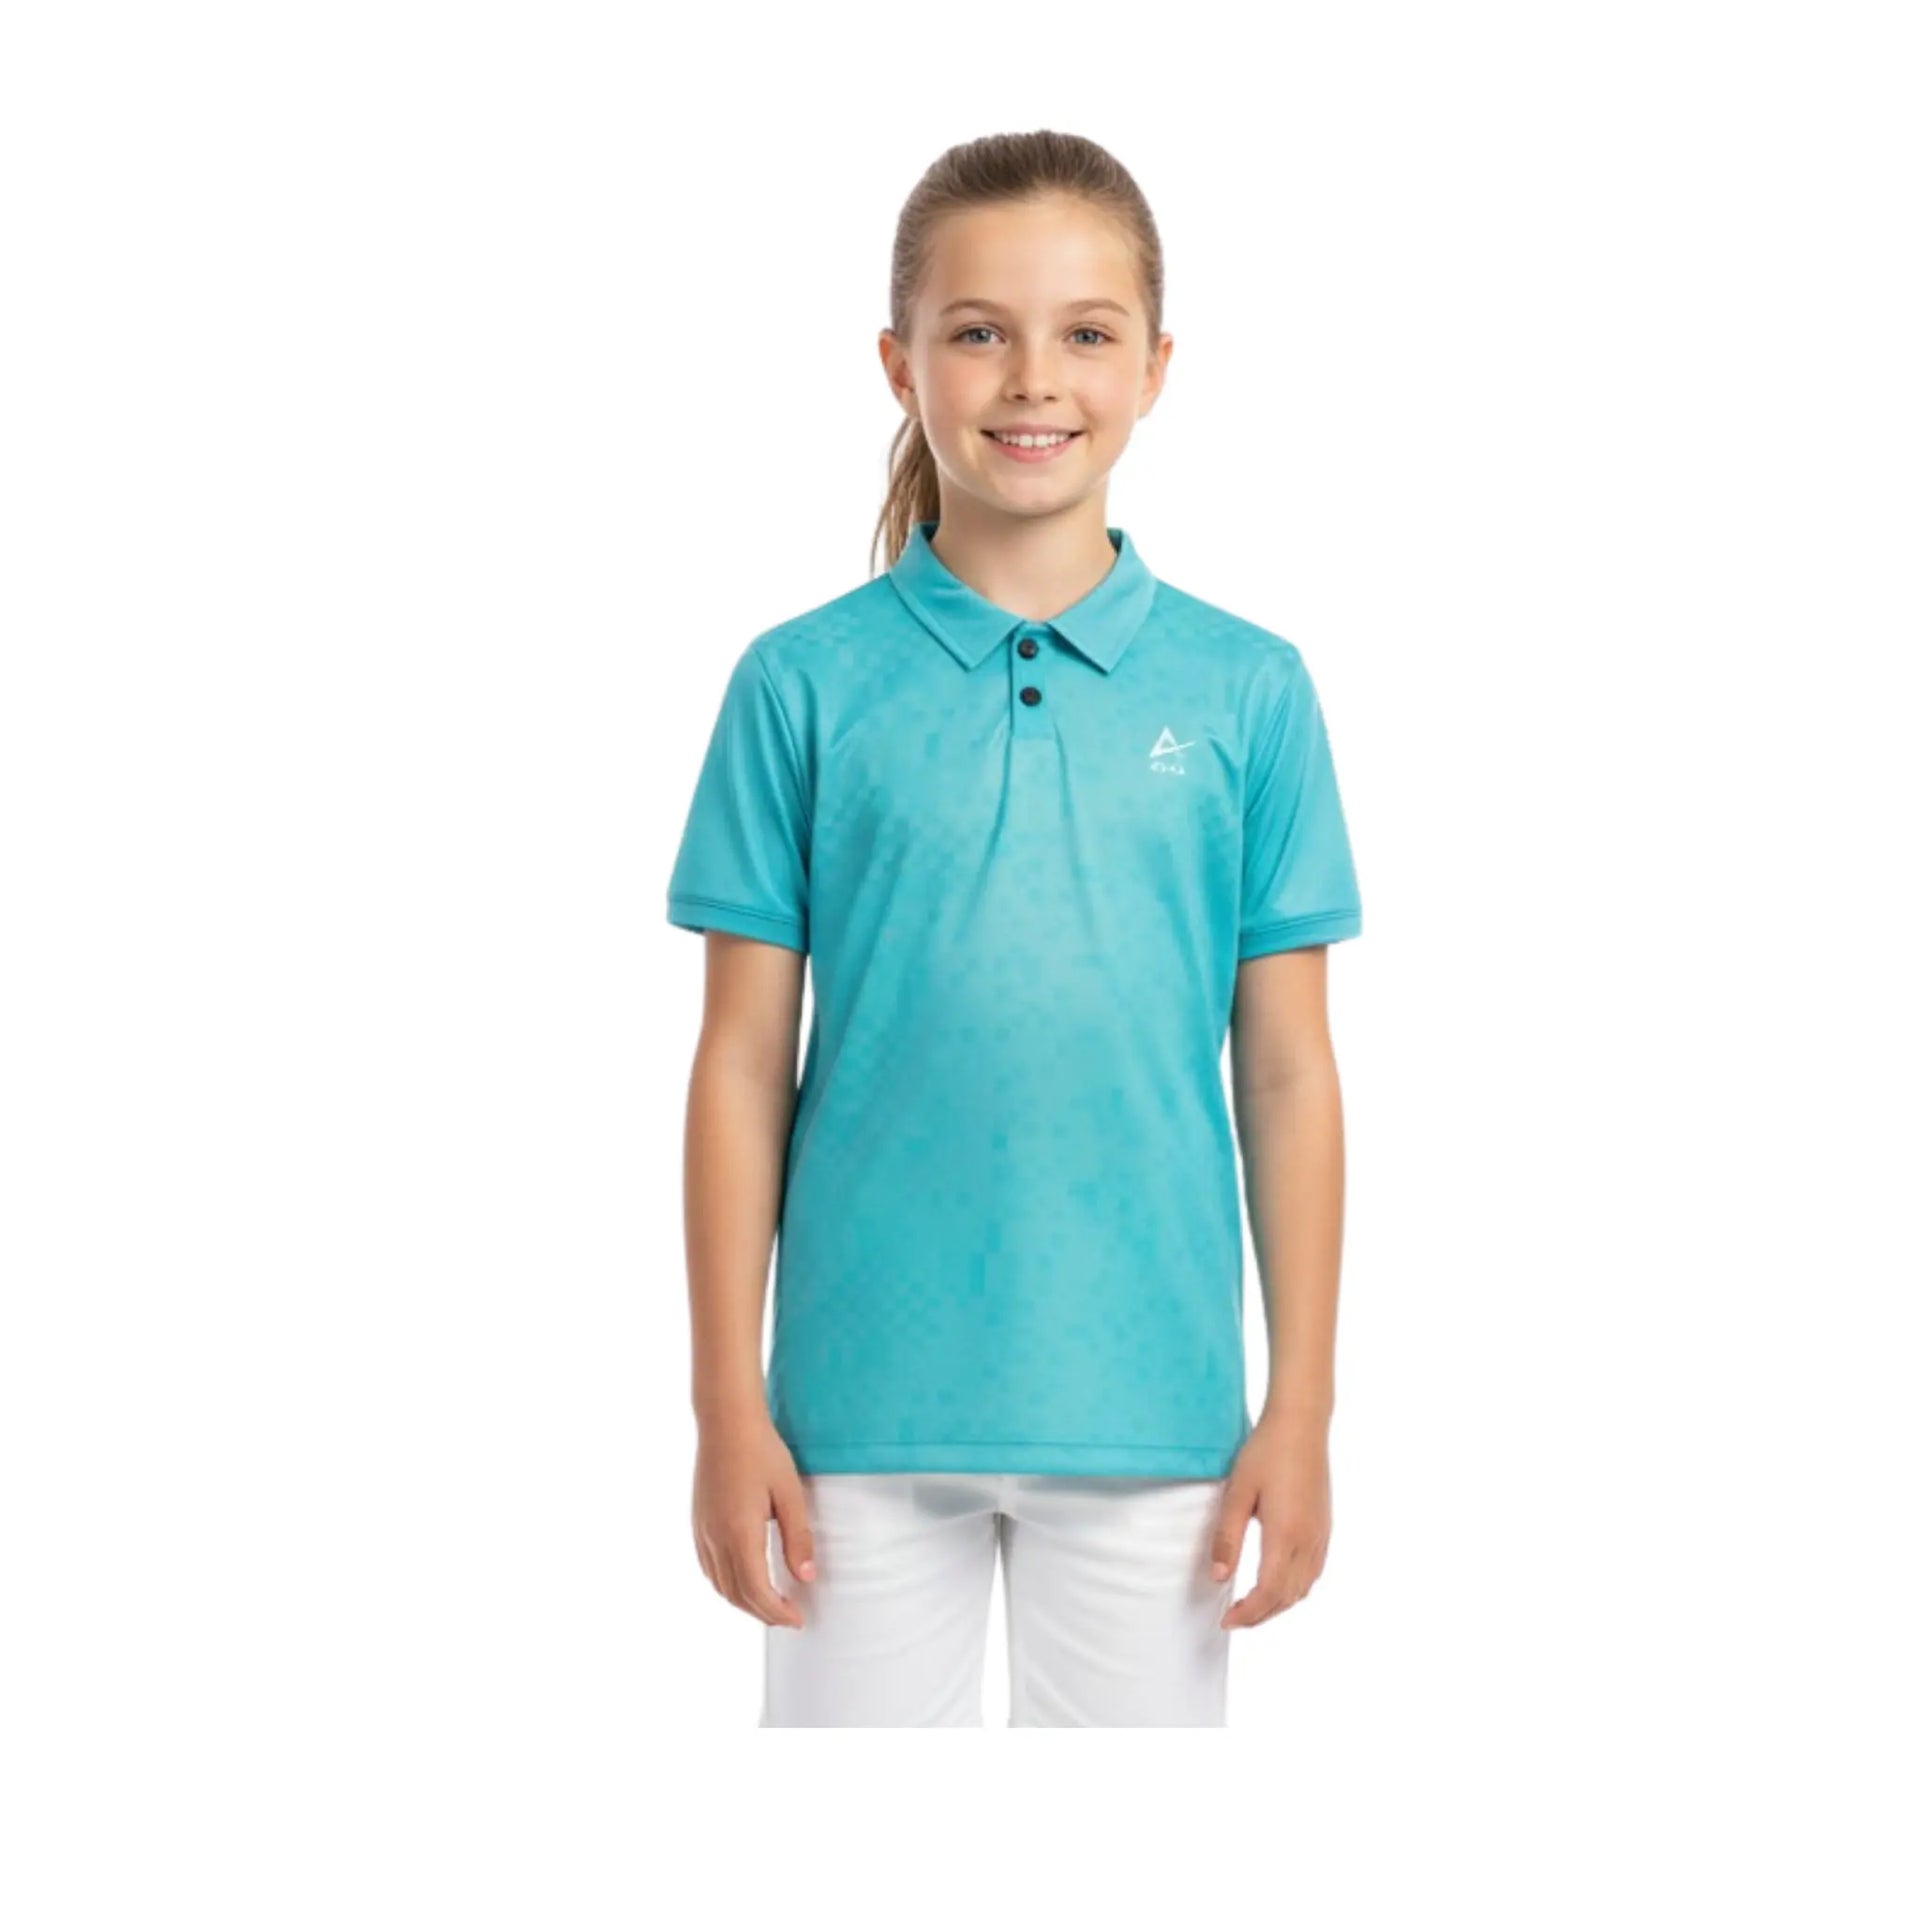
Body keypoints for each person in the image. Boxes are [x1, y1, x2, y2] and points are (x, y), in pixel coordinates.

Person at [665, 129, 1364, 1727]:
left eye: (1087, 332)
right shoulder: (801, 683)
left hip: (1155, 1417)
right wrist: (724, 1404)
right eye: (979, 330)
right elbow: (740, 1063)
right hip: (848, 1421)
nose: (1033, 377)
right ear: (898, 362)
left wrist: (1304, 1406)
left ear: (1157, 367)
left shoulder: (1250, 690)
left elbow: (1287, 1074)